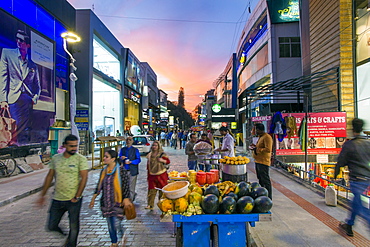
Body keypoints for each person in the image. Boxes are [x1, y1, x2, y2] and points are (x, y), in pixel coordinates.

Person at [36, 134, 88, 247]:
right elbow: (50, 176)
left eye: (76, 146)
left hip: (73, 199)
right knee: (51, 225)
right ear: (64, 146)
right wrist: (42, 195)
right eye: (71, 146)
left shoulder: (81, 159)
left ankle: (71, 244)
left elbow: (84, 178)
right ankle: (66, 236)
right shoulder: (56, 159)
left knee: (74, 226)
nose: (74, 148)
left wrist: (77, 196)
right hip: (57, 198)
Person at [0, 29, 41, 145]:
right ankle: (14, 150)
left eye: (22, 40)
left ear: (28, 44)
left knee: (26, 129)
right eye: (17, 39)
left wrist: (35, 97)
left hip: (28, 99)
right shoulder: (7, 53)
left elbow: (37, 86)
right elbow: (2, 77)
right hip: (13, 97)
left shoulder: (32, 64)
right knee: (14, 127)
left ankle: (23, 152)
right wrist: (3, 99)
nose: (18, 42)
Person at [335, 118, 370, 237]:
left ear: (352, 128)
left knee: (359, 205)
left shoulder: (350, 144)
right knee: (356, 201)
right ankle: (349, 225)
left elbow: (341, 161)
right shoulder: (368, 143)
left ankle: (353, 224)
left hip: (355, 179)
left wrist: (336, 172)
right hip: (367, 178)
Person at [89, 150, 132, 247]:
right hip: (106, 202)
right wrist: (93, 198)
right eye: (104, 156)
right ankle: (114, 242)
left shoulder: (121, 171)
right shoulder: (104, 171)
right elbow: (99, 186)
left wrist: (126, 198)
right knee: (110, 223)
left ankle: (120, 236)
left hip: (118, 202)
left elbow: (125, 187)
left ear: (113, 159)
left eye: (106, 157)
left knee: (116, 222)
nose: (104, 158)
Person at [249, 123, 273, 199]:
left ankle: (268, 197)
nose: (254, 131)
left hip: (263, 162)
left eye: (255, 129)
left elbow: (268, 149)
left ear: (259, 130)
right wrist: (254, 147)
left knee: (265, 180)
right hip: (258, 161)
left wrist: (257, 149)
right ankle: (263, 195)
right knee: (261, 179)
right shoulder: (260, 137)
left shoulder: (267, 137)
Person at [145, 140, 170, 210]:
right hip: (152, 175)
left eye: (156, 145)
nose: (154, 147)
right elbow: (148, 165)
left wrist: (162, 160)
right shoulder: (149, 155)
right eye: (153, 145)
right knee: (151, 190)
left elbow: (167, 161)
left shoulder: (162, 154)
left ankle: (162, 203)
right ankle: (150, 204)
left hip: (161, 174)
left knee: (162, 190)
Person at [118, 136, 141, 201]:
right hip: (124, 171)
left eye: (130, 140)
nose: (128, 141)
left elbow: (138, 160)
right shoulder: (123, 149)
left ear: (132, 141)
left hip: (132, 171)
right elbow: (119, 157)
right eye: (127, 140)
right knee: (124, 186)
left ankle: (130, 200)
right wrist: (121, 158)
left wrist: (131, 162)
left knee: (131, 186)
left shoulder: (135, 150)